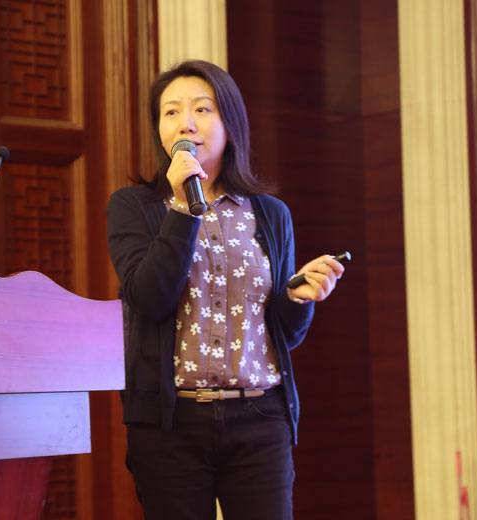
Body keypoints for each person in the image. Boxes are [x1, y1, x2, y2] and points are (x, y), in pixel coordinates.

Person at [106, 59, 345, 520]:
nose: (186, 123)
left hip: (261, 418)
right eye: (171, 112)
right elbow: (149, 299)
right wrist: (183, 208)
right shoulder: (134, 206)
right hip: (170, 425)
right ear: (160, 130)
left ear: (230, 126)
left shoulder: (270, 213)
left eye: (202, 109)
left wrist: (298, 298)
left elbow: (285, 335)